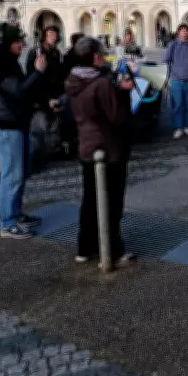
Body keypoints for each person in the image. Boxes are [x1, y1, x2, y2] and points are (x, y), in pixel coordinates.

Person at [66, 37, 136, 265]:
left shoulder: (74, 79)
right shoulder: (101, 84)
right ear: (95, 57)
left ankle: (85, 247)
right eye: (102, 54)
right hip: (108, 147)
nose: (105, 58)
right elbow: (117, 117)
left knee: (90, 200)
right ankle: (113, 251)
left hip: (86, 145)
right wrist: (124, 92)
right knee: (112, 201)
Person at [0, 23, 46, 238]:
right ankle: (7, 223)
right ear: (7, 43)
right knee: (13, 174)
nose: (22, 45)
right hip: (8, 124)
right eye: (17, 41)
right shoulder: (0, 63)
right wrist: (37, 72)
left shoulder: (7, 60)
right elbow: (18, 90)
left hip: (15, 121)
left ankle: (15, 214)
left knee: (19, 172)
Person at [163, 24, 188, 139]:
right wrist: (168, 77)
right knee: (177, 105)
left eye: (186, 31)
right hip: (176, 80)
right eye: (182, 30)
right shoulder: (173, 45)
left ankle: (186, 126)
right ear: (178, 32)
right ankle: (178, 128)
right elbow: (165, 61)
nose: (184, 32)